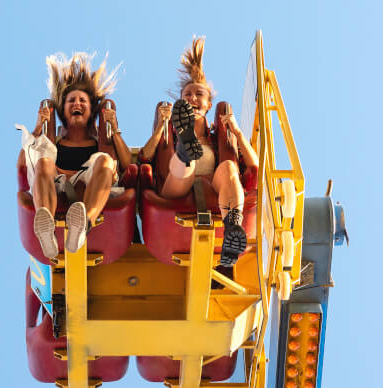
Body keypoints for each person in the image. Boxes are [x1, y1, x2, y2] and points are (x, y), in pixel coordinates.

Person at [139, 37, 258, 267]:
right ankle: (186, 149)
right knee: (187, 163)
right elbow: (145, 157)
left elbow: (254, 168)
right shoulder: (167, 135)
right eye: (187, 96)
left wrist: (236, 130)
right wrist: (161, 128)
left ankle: (232, 226)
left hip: (215, 188)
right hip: (177, 188)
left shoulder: (219, 138)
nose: (192, 98)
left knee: (229, 167)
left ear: (208, 105)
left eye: (198, 94)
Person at [16, 52, 131, 259]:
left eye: (82, 101)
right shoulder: (52, 143)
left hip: (91, 181)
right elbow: (23, 165)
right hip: (55, 183)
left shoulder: (101, 142)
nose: (77, 104)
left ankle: (83, 224)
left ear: (90, 110)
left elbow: (127, 163)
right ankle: (46, 227)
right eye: (71, 101)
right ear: (63, 110)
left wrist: (114, 130)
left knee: (104, 159)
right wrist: (36, 129)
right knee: (43, 159)